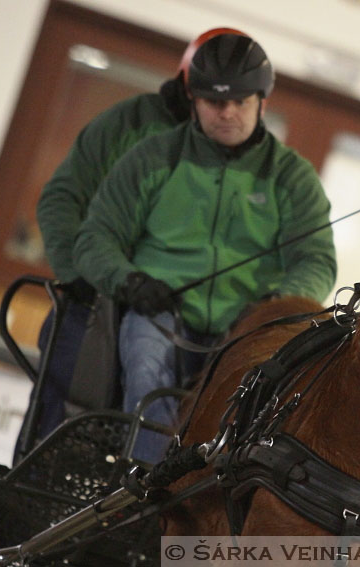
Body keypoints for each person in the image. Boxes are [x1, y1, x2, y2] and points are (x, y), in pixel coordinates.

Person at [73, 32, 337, 463]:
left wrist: (276, 305)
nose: (227, 112)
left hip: (248, 327)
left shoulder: (293, 177)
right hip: (157, 310)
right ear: (194, 101)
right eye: (215, 102)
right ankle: (148, 486)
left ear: (262, 103)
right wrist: (130, 281)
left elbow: (317, 261)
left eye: (240, 101)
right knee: (144, 367)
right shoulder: (153, 157)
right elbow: (95, 238)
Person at [21, 29, 242, 451]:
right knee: (55, 438)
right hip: (93, 311)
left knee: (165, 446)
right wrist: (81, 273)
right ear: (187, 85)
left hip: (177, 324)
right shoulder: (129, 123)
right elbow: (62, 197)